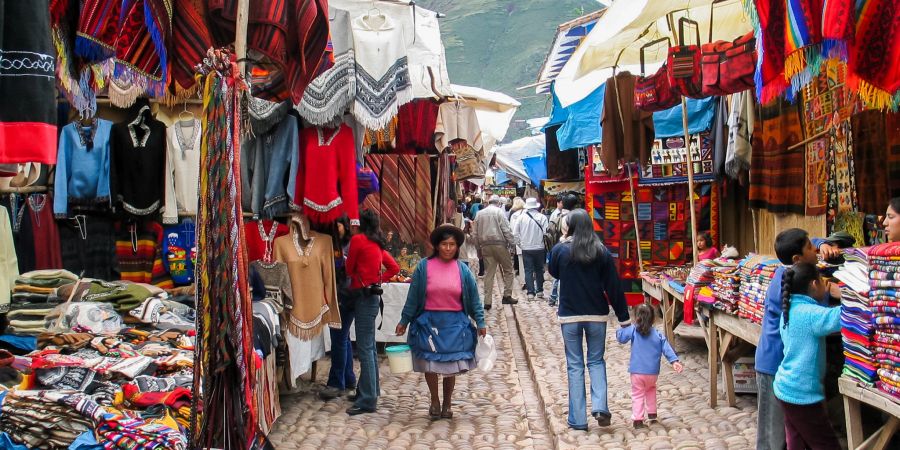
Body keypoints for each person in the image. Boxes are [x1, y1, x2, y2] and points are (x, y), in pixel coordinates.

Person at [754, 228, 841, 450]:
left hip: (784, 370)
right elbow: (820, 315)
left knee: (792, 438)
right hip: (774, 364)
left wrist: (822, 244)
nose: (816, 251)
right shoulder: (790, 289)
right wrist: (838, 293)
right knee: (772, 439)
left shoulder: (790, 276)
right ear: (797, 259)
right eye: (811, 248)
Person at [548, 209, 631, 431]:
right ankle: (600, 406)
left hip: (569, 316)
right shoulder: (601, 251)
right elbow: (613, 286)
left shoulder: (560, 250)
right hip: (596, 315)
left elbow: (553, 272)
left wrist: (562, 243)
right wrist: (624, 319)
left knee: (574, 365)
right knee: (596, 361)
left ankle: (578, 419)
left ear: (571, 226)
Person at [396, 224, 486, 420]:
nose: (447, 248)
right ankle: (434, 400)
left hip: (454, 325)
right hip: (429, 323)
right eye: (444, 244)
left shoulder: (462, 270)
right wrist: (405, 319)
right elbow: (413, 296)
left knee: (450, 366)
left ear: (457, 247)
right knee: (430, 364)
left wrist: (480, 321)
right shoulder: (424, 267)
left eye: (452, 244)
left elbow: (473, 298)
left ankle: (447, 403)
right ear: (437, 246)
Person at [774, 262, 842, 450]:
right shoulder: (811, 314)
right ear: (814, 284)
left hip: (785, 387)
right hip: (801, 394)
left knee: (796, 441)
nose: (824, 285)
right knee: (826, 444)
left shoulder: (789, 308)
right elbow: (846, 316)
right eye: (822, 280)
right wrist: (845, 294)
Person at [345, 210, 400, 415]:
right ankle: (369, 390)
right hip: (373, 296)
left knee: (365, 348)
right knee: (368, 346)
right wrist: (378, 279)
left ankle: (368, 400)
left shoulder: (359, 240)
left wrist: (365, 279)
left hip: (362, 295)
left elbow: (350, 269)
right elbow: (393, 267)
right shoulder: (377, 243)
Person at [616, 304, 684, 429]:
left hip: (637, 372)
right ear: (653, 319)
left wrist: (621, 328)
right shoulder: (658, 335)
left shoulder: (633, 330)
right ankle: (652, 413)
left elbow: (621, 338)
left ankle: (637, 419)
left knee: (637, 394)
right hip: (652, 373)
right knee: (650, 389)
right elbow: (667, 348)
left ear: (636, 318)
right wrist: (674, 361)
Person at [320, 216, 356, 401]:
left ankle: (336, 383)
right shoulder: (332, 243)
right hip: (338, 295)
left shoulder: (349, 245)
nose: (335, 227)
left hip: (345, 296)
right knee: (343, 337)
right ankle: (348, 378)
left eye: (338, 224)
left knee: (338, 339)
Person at [472, 195, 517, 309]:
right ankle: (507, 295)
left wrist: (478, 249)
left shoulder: (479, 214)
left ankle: (487, 302)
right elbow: (506, 229)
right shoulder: (499, 212)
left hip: (485, 246)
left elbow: (475, 234)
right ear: (498, 203)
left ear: (488, 202)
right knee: (508, 270)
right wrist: (513, 244)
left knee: (489, 273)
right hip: (500, 245)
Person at [513, 198, 549, 300]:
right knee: (539, 269)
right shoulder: (542, 217)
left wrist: (520, 244)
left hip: (526, 248)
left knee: (528, 270)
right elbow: (546, 233)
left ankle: (530, 292)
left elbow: (515, 234)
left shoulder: (521, 218)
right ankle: (540, 291)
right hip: (539, 248)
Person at [549, 194, 577, 306]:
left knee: (559, 275)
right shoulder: (571, 217)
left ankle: (554, 298)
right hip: (567, 246)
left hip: (558, 246)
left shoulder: (557, 215)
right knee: (564, 277)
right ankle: (562, 302)